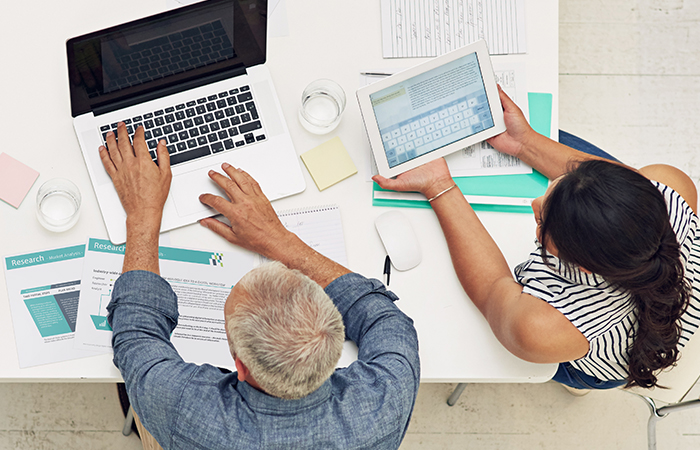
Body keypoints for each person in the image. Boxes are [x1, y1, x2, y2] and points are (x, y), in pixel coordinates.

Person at [99, 123, 420, 449]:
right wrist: (281, 242)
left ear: (239, 366)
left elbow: (136, 334)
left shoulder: (183, 410)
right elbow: (388, 322)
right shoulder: (386, 401)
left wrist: (142, 214)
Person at [373, 86, 700, 391]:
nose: (535, 204)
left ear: (581, 266)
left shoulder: (543, 326)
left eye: (543, 220)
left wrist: (438, 185)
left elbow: (491, 289)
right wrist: (523, 142)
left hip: (602, 358)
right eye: (555, 186)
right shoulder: (670, 188)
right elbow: (596, 184)